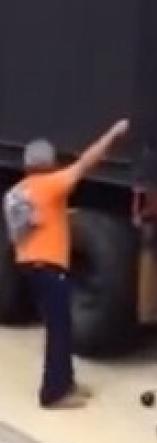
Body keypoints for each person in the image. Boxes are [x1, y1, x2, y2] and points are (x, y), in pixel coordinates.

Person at [2, 119, 130, 409]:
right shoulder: (51, 186)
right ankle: (53, 393)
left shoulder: (17, 192)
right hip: (49, 269)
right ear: (49, 163)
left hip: (30, 267)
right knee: (59, 330)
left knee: (60, 326)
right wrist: (113, 133)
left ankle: (66, 382)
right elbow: (88, 162)